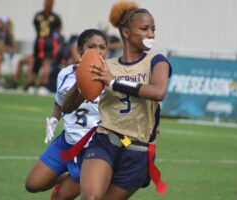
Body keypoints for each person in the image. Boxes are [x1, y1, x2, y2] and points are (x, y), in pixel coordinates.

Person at [69, 1, 172, 199]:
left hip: (137, 150)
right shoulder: (106, 66)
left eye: (153, 29)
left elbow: (158, 92)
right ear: (126, 32)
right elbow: (69, 106)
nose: (151, 34)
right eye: (144, 29)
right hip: (105, 140)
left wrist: (114, 82)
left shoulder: (157, 61)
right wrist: (80, 80)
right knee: (90, 198)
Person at [25, 29, 108, 200]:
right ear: (79, 50)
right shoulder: (65, 73)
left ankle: (81, 176)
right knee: (32, 184)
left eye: (102, 47)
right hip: (67, 141)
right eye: (91, 46)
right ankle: (66, 175)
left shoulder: (110, 77)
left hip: (93, 149)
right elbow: (60, 102)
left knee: (60, 197)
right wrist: (55, 118)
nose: (97, 51)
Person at [27, 0, 62, 95]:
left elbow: (36, 27)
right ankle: (40, 85)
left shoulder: (39, 15)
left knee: (40, 63)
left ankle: (33, 85)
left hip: (41, 41)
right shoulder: (55, 17)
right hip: (47, 41)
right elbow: (58, 31)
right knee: (42, 63)